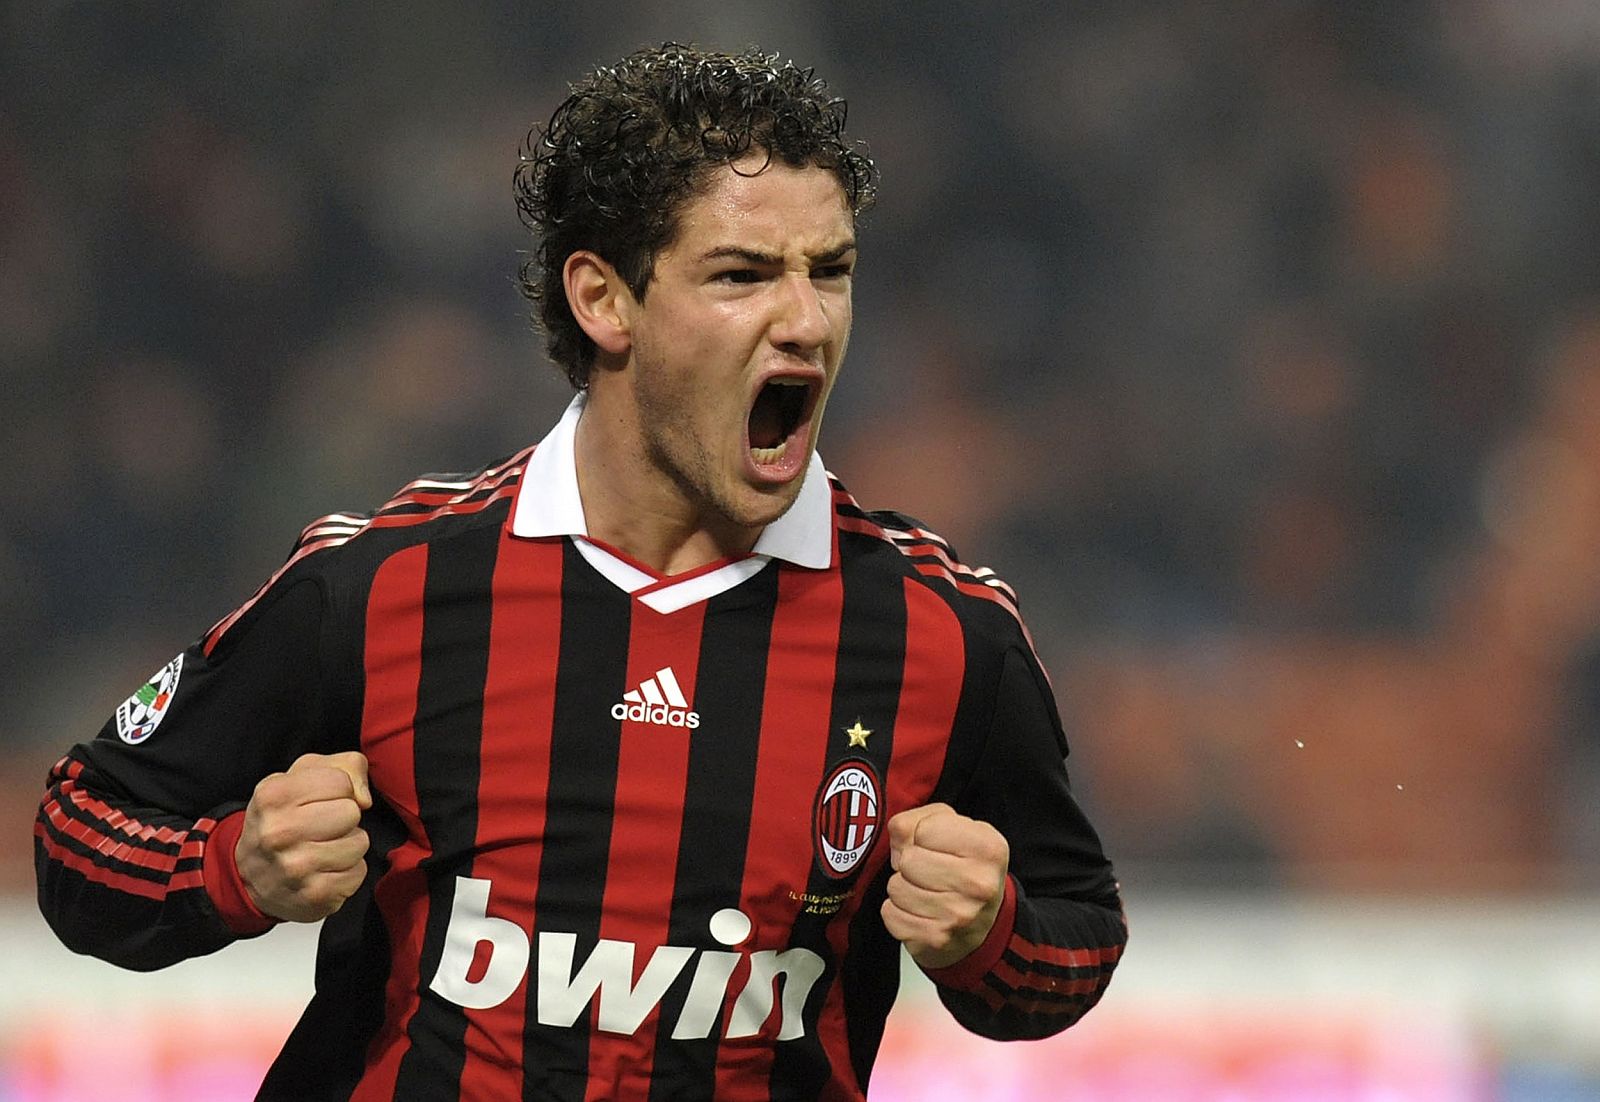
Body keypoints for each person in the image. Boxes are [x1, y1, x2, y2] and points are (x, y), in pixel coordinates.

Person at [35, 43, 1127, 1101]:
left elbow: (1075, 932)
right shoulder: (381, 588)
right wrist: (232, 869)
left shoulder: (941, 633)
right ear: (605, 301)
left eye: (829, 270)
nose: (806, 320)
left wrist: (993, 935)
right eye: (742, 275)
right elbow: (82, 834)